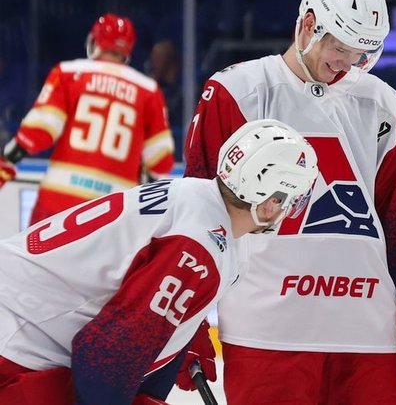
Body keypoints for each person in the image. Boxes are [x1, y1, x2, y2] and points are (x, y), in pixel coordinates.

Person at [181, 0, 396, 404]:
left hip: (368, 335)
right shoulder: (237, 92)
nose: (347, 64)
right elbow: (198, 215)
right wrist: (185, 315)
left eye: (360, 54)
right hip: (266, 333)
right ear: (309, 24)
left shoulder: (383, 103)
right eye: (340, 48)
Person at [0, 119, 319, 405]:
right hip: (15, 344)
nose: (292, 210)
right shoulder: (197, 248)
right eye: (294, 200)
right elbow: (106, 358)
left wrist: (179, 338)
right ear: (270, 203)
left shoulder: (199, 200)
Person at [0, 13, 174, 225]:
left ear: (95, 42)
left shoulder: (68, 73)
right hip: (114, 214)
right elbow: (161, 160)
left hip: (59, 201)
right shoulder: (149, 91)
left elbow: (40, 129)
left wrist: (9, 158)